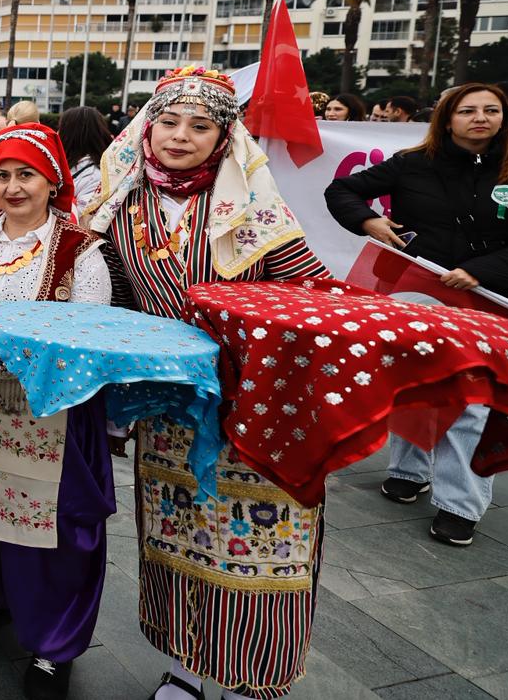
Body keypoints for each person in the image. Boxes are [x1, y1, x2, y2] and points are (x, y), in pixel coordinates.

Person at [88, 65, 329, 700]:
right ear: (147, 125)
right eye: (167, 121)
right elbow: (112, 293)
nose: (179, 136)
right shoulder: (126, 201)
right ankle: (187, 667)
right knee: (177, 529)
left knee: (260, 538)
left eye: (199, 126)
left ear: (224, 138)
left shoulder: (254, 206)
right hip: (169, 399)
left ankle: (253, 678)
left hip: (255, 401)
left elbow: (309, 296)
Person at [0, 123, 116, 700]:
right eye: (3, 176)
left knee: (55, 528)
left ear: (53, 181)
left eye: (27, 175)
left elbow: (87, 336)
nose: (13, 188)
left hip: (50, 410)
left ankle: (55, 642)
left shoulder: (80, 249)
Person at [324, 81, 508, 547]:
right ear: (447, 118)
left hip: (491, 300)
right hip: (418, 291)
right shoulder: (412, 164)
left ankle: (460, 505)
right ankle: (406, 471)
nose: (480, 118)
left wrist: (478, 271)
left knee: (473, 402)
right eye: (468, 110)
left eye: (491, 110)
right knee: (412, 383)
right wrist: (368, 220)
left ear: (505, 117)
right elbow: (342, 190)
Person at [56, 106, 113, 215]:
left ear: (71, 135)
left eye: (60, 128)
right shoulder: (66, 163)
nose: (57, 133)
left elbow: (81, 219)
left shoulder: (96, 177)